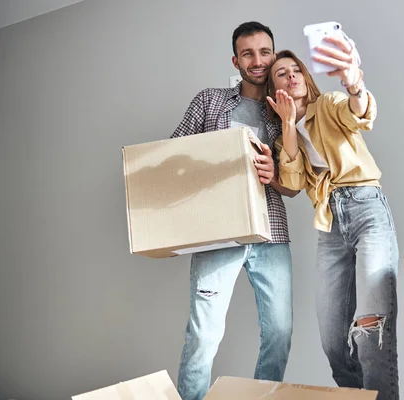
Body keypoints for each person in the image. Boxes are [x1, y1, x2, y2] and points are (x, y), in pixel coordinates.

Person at [170, 21, 298, 400]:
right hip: (219, 233)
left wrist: (275, 175)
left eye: (264, 52)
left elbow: (292, 187)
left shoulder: (287, 110)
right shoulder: (209, 101)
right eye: (248, 53)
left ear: (273, 54)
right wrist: (211, 161)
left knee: (279, 333)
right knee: (204, 334)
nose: (257, 61)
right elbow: (173, 155)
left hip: (271, 233)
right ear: (236, 59)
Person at [265, 39, 399, 400]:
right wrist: (289, 123)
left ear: (306, 77)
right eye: (282, 74)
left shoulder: (328, 103)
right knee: (333, 343)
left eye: (296, 71)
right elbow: (291, 182)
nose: (291, 77)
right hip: (329, 226)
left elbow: (358, 113)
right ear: (274, 89)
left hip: (366, 208)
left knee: (372, 331)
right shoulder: (285, 135)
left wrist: (354, 83)